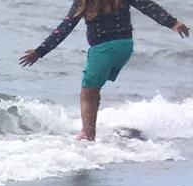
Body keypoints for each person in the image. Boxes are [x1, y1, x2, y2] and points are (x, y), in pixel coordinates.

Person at [21, 0, 189, 140]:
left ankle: (88, 133)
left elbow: (64, 28)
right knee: (95, 88)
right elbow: (148, 6)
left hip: (103, 49)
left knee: (88, 91)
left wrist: (39, 52)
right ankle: (89, 130)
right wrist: (172, 23)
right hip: (125, 46)